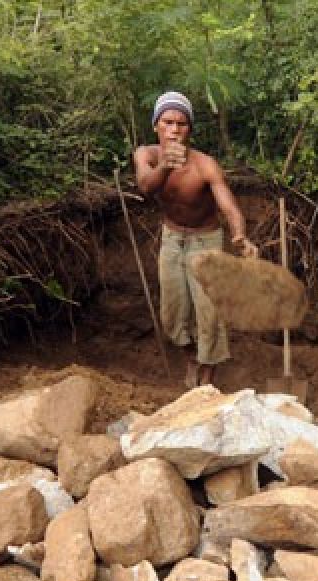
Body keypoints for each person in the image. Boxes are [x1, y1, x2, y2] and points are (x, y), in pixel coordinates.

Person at [134, 90, 258, 389]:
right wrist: (165, 165)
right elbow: (146, 187)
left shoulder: (205, 165)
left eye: (181, 124)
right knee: (172, 315)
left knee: (210, 314)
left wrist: (240, 235)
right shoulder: (146, 155)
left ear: (189, 128)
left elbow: (229, 206)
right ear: (155, 126)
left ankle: (207, 376)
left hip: (207, 242)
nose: (174, 130)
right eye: (167, 123)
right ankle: (193, 356)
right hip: (172, 239)